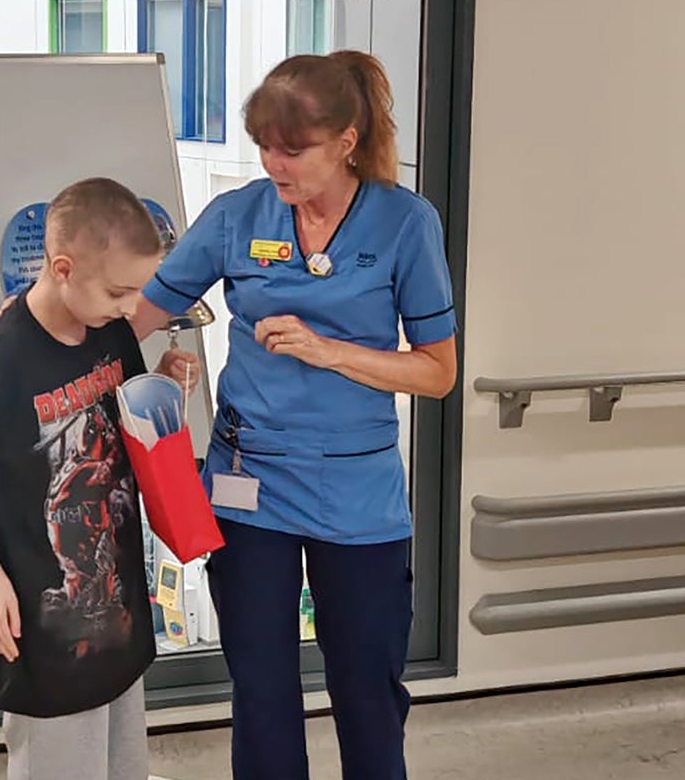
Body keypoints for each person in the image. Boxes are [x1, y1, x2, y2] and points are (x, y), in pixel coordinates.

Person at [129, 50, 458, 779]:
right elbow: (138, 313)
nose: (275, 164)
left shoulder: (405, 223)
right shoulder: (236, 216)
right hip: (251, 486)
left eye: (293, 149)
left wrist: (327, 351)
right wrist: (42, 325)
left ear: (345, 141)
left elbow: (437, 372)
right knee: (263, 692)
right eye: (264, 147)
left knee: (367, 692)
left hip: (357, 494)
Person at [0, 177, 193, 780]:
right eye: (119, 291)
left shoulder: (110, 329)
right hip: (43, 633)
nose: (131, 309)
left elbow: (120, 426)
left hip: (118, 615)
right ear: (63, 267)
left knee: (124, 768)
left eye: (136, 292)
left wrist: (166, 384)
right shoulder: (4, 357)